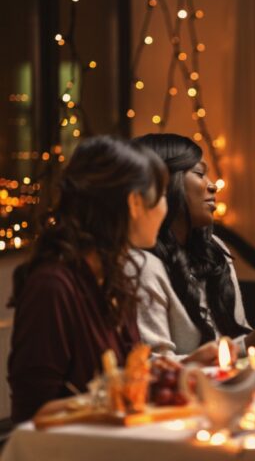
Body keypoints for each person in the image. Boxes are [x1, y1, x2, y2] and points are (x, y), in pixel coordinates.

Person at [7, 136, 168, 423]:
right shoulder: (53, 287)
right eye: (162, 195)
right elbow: (33, 414)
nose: (165, 208)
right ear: (134, 203)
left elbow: (126, 378)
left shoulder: (115, 277)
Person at [131, 134, 255, 363]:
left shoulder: (214, 249)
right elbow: (153, 366)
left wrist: (252, 341)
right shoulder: (142, 265)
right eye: (199, 173)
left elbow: (234, 341)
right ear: (164, 184)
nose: (212, 184)